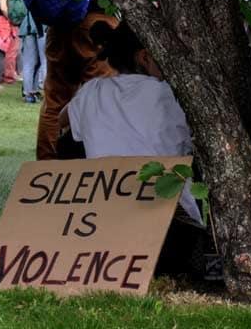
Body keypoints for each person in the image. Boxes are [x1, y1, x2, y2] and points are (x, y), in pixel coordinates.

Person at [64, 20, 202, 225]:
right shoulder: (169, 94)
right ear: (145, 56)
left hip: (103, 210)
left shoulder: (92, 92)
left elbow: (61, 120)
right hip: (170, 215)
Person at [36, 9, 117, 160]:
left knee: (54, 103)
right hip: (98, 22)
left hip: (59, 25)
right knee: (104, 97)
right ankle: (104, 161)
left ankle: (46, 167)